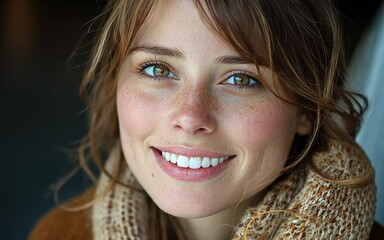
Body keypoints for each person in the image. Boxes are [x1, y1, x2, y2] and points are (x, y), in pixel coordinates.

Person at [30, 0, 380, 239]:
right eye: (157, 69)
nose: (190, 116)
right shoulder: (59, 232)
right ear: (116, 79)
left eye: (241, 79)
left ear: (306, 108)